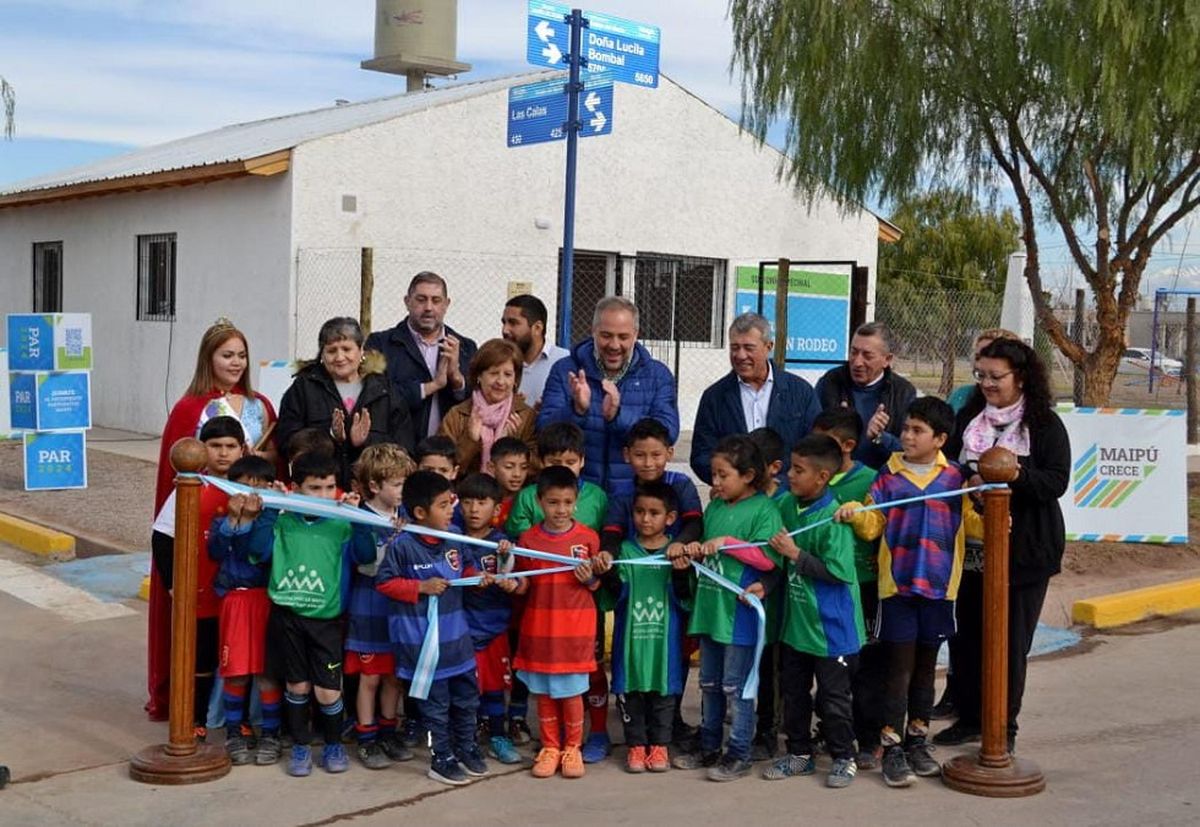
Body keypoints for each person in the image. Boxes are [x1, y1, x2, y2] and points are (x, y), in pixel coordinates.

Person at [834, 397, 982, 788]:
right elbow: (872, 524)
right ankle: (892, 746)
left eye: (918, 431)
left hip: (939, 590)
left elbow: (973, 524)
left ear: (941, 439)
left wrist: (994, 509)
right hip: (897, 587)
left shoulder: (954, 478)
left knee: (925, 668)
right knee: (898, 668)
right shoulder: (890, 474)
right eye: (906, 428)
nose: (908, 436)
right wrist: (855, 512)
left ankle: (918, 740)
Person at [934, 338, 1069, 755]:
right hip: (971, 548)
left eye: (997, 377)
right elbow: (951, 464)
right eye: (981, 376)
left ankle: (1002, 728)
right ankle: (971, 718)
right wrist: (964, 480)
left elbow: (1055, 481)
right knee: (968, 638)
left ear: (1021, 377)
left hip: (1025, 552)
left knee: (1008, 645)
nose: (988, 384)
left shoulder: (1044, 424)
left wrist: (1007, 476)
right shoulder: (970, 415)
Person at [149, 319, 279, 721]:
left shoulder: (261, 405)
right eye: (227, 355)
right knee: (204, 635)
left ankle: (250, 716)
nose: (236, 362)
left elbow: (277, 461)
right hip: (206, 527)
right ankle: (198, 713)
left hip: (248, 523)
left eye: (241, 355)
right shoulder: (191, 408)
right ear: (209, 358)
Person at [240, 452, 375, 777]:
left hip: (326, 621)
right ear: (295, 488)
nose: (325, 496)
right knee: (297, 687)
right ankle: (300, 746)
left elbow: (367, 556)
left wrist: (358, 520)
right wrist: (269, 509)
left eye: (330, 487)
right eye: (315, 488)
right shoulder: (283, 522)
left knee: (328, 690)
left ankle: (332, 744)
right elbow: (257, 552)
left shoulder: (342, 523)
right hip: (287, 618)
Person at [673, 435, 784, 782]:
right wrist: (692, 548)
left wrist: (727, 544)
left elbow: (768, 559)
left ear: (748, 475)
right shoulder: (717, 507)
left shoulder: (765, 510)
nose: (715, 483)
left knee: (737, 689)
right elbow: (706, 545)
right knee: (708, 684)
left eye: (723, 475)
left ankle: (739, 753)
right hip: (710, 610)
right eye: (714, 475)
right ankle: (708, 747)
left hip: (739, 618)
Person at [376, 470, 491, 787]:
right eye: (443, 504)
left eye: (450, 501)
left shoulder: (455, 535)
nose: (452, 509)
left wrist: (477, 577)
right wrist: (421, 587)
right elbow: (384, 583)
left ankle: (466, 746)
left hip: (458, 641)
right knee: (436, 707)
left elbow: (465, 566)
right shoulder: (402, 546)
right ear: (420, 513)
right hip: (422, 645)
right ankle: (441, 757)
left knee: (468, 699)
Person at [764, 435, 864, 788]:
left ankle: (843, 756)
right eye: (791, 466)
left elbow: (838, 573)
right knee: (793, 693)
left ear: (822, 477)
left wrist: (794, 554)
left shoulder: (834, 518)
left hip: (832, 630)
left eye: (798, 470)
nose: (790, 475)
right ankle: (800, 754)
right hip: (797, 627)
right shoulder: (787, 505)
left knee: (833, 699)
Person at [509, 466, 610, 780]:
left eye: (567, 502)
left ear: (576, 501)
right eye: (553, 502)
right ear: (539, 502)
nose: (561, 509)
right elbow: (524, 584)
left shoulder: (588, 539)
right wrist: (510, 582)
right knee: (544, 693)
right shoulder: (527, 539)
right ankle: (550, 747)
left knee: (571, 692)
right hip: (540, 629)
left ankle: (572, 748)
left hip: (575, 630)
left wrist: (591, 577)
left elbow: (597, 585)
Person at [151, 415, 245, 740]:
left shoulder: (251, 490)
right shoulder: (189, 488)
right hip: (200, 592)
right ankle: (195, 721)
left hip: (241, 595)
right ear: (200, 449)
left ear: (242, 449)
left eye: (230, 446)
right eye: (215, 445)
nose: (222, 453)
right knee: (200, 661)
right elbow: (162, 538)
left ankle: (241, 725)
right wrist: (175, 584)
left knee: (242, 662)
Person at [597, 481, 694, 774]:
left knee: (664, 695)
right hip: (631, 642)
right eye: (639, 511)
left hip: (664, 643)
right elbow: (614, 597)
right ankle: (636, 746)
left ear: (671, 518)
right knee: (632, 693)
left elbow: (686, 599)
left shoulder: (677, 554)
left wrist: (680, 573)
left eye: (654, 512)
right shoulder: (624, 551)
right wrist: (608, 570)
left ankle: (660, 746)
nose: (646, 518)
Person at [538, 295, 679, 494]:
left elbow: (668, 432)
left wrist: (617, 416)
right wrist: (577, 410)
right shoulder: (565, 370)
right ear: (593, 331)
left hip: (633, 496)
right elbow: (544, 431)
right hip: (575, 495)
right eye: (606, 335)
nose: (614, 345)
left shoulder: (658, 375)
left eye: (623, 337)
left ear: (635, 334)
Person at [812, 408, 884, 769]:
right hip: (823, 590)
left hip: (863, 588)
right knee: (831, 669)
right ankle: (831, 729)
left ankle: (869, 739)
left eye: (824, 443)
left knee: (865, 666)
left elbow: (877, 526)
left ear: (848, 446)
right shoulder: (810, 481)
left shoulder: (871, 480)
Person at [207, 455, 284, 766]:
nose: (252, 494)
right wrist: (236, 522)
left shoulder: (275, 520)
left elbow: (258, 555)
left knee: (267, 673)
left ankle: (270, 733)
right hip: (236, 602)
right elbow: (216, 552)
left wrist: (257, 520)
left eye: (260, 487)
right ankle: (235, 732)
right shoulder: (221, 521)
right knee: (236, 672)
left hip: (267, 599)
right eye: (244, 486)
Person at [275, 317, 414, 489]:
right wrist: (331, 437)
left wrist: (365, 441)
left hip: (371, 495)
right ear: (322, 354)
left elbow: (404, 447)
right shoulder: (303, 388)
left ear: (361, 350)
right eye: (331, 351)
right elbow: (286, 441)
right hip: (320, 492)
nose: (340, 357)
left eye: (347, 349)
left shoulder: (385, 390)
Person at [346, 444, 416, 770]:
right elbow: (365, 564)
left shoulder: (406, 516)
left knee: (393, 677)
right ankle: (367, 737)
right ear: (374, 486)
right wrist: (392, 543)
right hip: (368, 607)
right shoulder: (359, 517)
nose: (404, 491)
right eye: (398, 484)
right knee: (370, 677)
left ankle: (389, 731)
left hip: (397, 609)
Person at [691, 312, 821, 485]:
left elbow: (816, 448)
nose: (740, 355)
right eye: (735, 347)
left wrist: (783, 483)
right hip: (735, 503)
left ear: (769, 346)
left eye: (749, 348)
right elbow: (701, 455)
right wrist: (731, 481)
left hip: (787, 498)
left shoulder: (800, 393)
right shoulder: (714, 397)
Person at [456, 473, 523, 766]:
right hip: (461, 629)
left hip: (494, 628)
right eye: (467, 502)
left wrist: (509, 574)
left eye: (481, 502)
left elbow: (516, 578)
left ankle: (498, 736)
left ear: (496, 509)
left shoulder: (503, 543)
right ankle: (465, 740)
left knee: (494, 688)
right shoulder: (452, 538)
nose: (473, 509)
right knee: (466, 689)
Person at [366, 271, 478, 438]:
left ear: (446, 304)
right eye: (421, 299)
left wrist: (456, 379)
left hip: (448, 454)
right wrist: (432, 386)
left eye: (436, 300)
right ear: (407, 302)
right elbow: (374, 396)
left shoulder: (466, 347)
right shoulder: (380, 344)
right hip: (397, 450)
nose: (428, 308)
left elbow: (476, 402)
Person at [815, 321, 917, 470]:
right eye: (853, 352)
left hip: (883, 478)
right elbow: (810, 436)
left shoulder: (903, 393)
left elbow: (910, 450)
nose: (857, 362)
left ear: (887, 360)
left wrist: (880, 437)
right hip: (834, 474)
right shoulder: (830, 382)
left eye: (867, 356)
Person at [438, 338, 537, 478]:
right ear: (479, 376)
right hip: (468, 496)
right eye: (494, 373)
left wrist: (509, 446)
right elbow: (443, 468)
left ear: (516, 380)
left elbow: (537, 467)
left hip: (511, 498)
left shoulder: (526, 415)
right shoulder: (457, 414)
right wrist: (471, 440)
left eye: (508, 375)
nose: (501, 382)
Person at [505, 423, 608, 536]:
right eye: (554, 462)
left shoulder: (597, 496)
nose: (563, 468)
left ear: (582, 461)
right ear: (541, 461)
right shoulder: (527, 496)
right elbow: (518, 539)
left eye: (570, 462)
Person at [502, 294, 569, 407]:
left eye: (513, 323)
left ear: (537, 328)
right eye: (504, 323)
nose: (505, 330)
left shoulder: (564, 361)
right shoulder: (500, 361)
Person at [945, 328, 1020, 413]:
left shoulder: (1030, 408)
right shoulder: (962, 397)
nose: (981, 363)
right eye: (978, 357)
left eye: (990, 356)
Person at [486, 436, 531, 530]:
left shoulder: (529, 502)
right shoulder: (483, 498)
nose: (517, 474)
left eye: (523, 467)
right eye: (509, 467)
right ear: (491, 467)